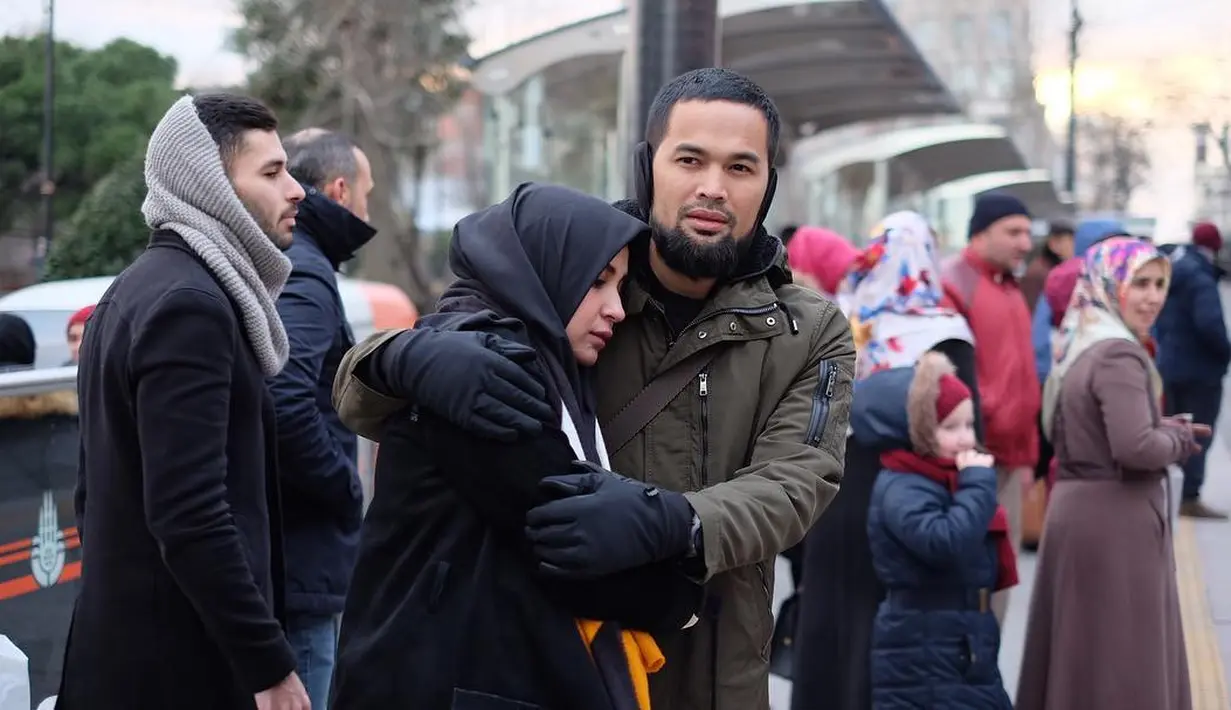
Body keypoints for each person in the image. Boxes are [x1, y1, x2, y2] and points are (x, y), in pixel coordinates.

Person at [331, 67, 855, 709]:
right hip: (556, 659)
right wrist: (402, 358)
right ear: (649, 165)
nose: (713, 188)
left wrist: (678, 522)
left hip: (712, 666)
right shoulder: (577, 277)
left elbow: (799, 481)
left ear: (767, 185)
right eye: (690, 159)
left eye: (741, 168)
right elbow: (388, 388)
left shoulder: (810, 328)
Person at [330, 182, 700, 710]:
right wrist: (682, 592)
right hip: (437, 678)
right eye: (598, 283)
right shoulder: (489, 370)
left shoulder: (500, 352)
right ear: (545, 271)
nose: (616, 309)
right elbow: (567, 536)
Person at [58, 94, 310, 710]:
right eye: (271, 172)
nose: (296, 189)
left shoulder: (143, 286)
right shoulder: (189, 305)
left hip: (135, 651)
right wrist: (268, 664)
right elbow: (190, 511)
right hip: (177, 666)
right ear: (210, 185)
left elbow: (94, 491)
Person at [791, 211, 979, 710]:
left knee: (833, 621)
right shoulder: (946, 332)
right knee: (894, 634)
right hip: (910, 496)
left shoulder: (840, 321)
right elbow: (961, 426)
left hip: (834, 495)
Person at [1016, 238, 1197, 710]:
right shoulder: (1119, 354)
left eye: (1160, 284)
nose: (1153, 296)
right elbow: (1136, 447)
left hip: (1080, 512)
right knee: (1121, 660)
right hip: (1117, 520)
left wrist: (1158, 429)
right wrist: (1176, 440)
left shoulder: (1081, 342)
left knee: (1083, 655)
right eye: (1140, 283)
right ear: (1110, 283)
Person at [264, 128, 377, 709]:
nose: (366, 209)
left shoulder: (291, 260)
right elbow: (285, 401)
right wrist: (342, 484)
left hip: (293, 554)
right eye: (366, 193)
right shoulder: (306, 271)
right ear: (339, 188)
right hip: (303, 558)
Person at [859, 351, 1014, 709]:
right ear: (919, 431)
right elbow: (944, 541)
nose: (965, 439)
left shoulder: (942, 480)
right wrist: (977, 486)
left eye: (969, 425)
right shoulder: (903, 486)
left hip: (957, 639)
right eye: (949, 427)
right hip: (925, 647)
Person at [941, 192, 1038, 624]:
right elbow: (947, 379)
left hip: (1010, 459)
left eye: (1028, 233)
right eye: (1013, 232)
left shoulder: (1009, 287)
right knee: (971, 581)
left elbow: (1024, 378)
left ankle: (985, 680)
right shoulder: (956, 283)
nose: (1025, 243)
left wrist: (1028, 456)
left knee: (1001, 578)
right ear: (980, 233)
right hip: (972, 457)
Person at [1155, 221, 1230, 519]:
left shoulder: (1175, 270)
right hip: (1200, 372)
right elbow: (1209, 324)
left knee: (1174, 430)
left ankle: (1171, 490)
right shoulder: (1201, 278)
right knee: (1199, 433)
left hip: (1170, 366)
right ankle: (1189, 496)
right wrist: (1225, 352)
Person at [1020, 221, 1074, 312]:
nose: (1073, 248)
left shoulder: (1054, 269)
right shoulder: (1041, 273)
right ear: (1054, 244)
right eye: (1069, 242)